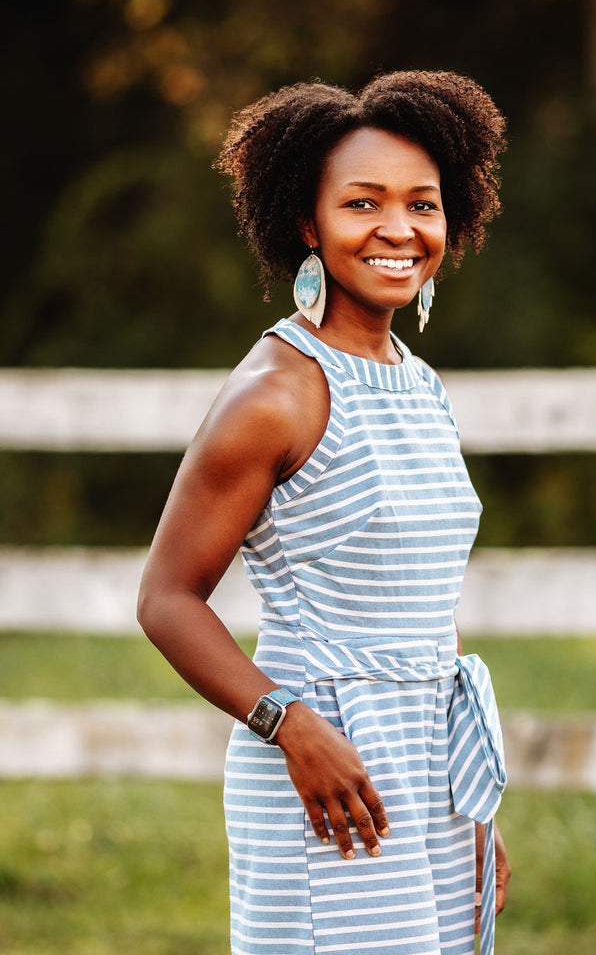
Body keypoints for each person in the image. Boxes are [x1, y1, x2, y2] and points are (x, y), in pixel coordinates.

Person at [138, 69, 511, 955]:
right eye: (363, 203)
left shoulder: (419, 384)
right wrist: (291, 725)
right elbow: (166, 599)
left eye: (423, 204)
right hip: (325, 765)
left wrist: (473, 807)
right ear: (308, 224)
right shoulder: (276, 392)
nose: (398, 229)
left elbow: (424, 604)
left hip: (429, 761)